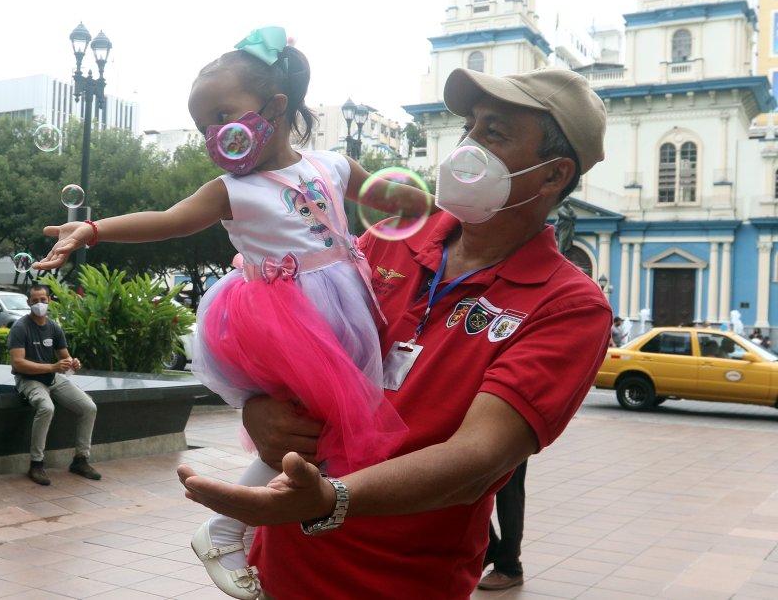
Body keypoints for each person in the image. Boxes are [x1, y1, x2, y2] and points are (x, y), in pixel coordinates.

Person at [177, 66, 613, 598]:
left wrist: (330, 499)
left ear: (552, 175)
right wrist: (257, 406)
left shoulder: (568, 306)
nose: (469, 144)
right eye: (470, 127)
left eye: (495, 133)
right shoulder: (389, 239)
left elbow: (477, 460)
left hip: (397, 581)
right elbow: (289, 336)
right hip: (279, 565)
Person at [35, 26, 422, 599]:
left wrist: (430, 203)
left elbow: (391, 199)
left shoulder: (333, 166)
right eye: (203, 127)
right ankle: (224, 528)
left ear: (277, 106)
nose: (215, 135)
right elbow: (167, 219)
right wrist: (91, 229)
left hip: (344, 309)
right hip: (289, 320)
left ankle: (274, 527)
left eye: (223, 114)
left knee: (327, 427)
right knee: (311, 424)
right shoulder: (231, 190)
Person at [8, 284, 101, 486]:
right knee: (46, 407)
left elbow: (65, 360)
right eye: (35, 300)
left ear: (49, 300)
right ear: (28, 303)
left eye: (43, 299)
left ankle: (81, 460)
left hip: (53, 378)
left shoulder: (53, 327)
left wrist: (73, 364)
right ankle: (36, 463)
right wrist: (53, 366)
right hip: (28, 379)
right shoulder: (20, 327)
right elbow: (17, 363)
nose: (39, 304)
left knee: (89, 407)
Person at [479, 460, 527, 590]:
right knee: (471, 484)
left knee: (509, 490)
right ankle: (490, 548)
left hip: (515, 440)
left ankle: (510, 566)